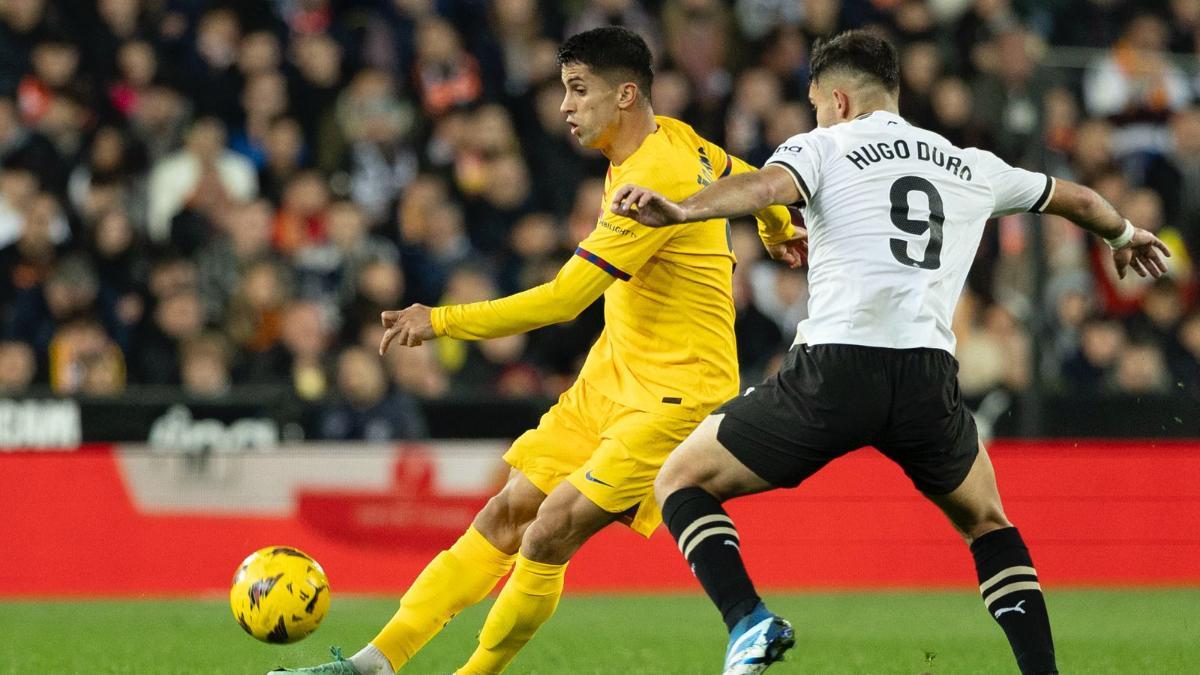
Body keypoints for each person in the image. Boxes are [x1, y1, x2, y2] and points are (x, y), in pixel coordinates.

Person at [610, 30, 1170, 675]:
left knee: (680, 480)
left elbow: (763, 188)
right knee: (988, 522)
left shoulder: (823, 145)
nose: (817, 116)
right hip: (927, 376)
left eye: (817, 105)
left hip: (836, 369)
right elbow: (1075, 198)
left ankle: (747, 620)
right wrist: (1125, 234)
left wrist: (684, 211)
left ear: (839, 101)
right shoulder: (967, 163)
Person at [273, 26, 795, 675]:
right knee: (506, 512)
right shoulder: (680, 141)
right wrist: (777, 223)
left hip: (674, 396)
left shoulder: (654, 175)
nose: (564, 106)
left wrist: (440, 321)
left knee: (549, 531)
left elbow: (563, 300)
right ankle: (370, 665)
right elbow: (749, 176)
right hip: (610, 379)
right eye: (563, 90)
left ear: (625, 95)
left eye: (578, 90)